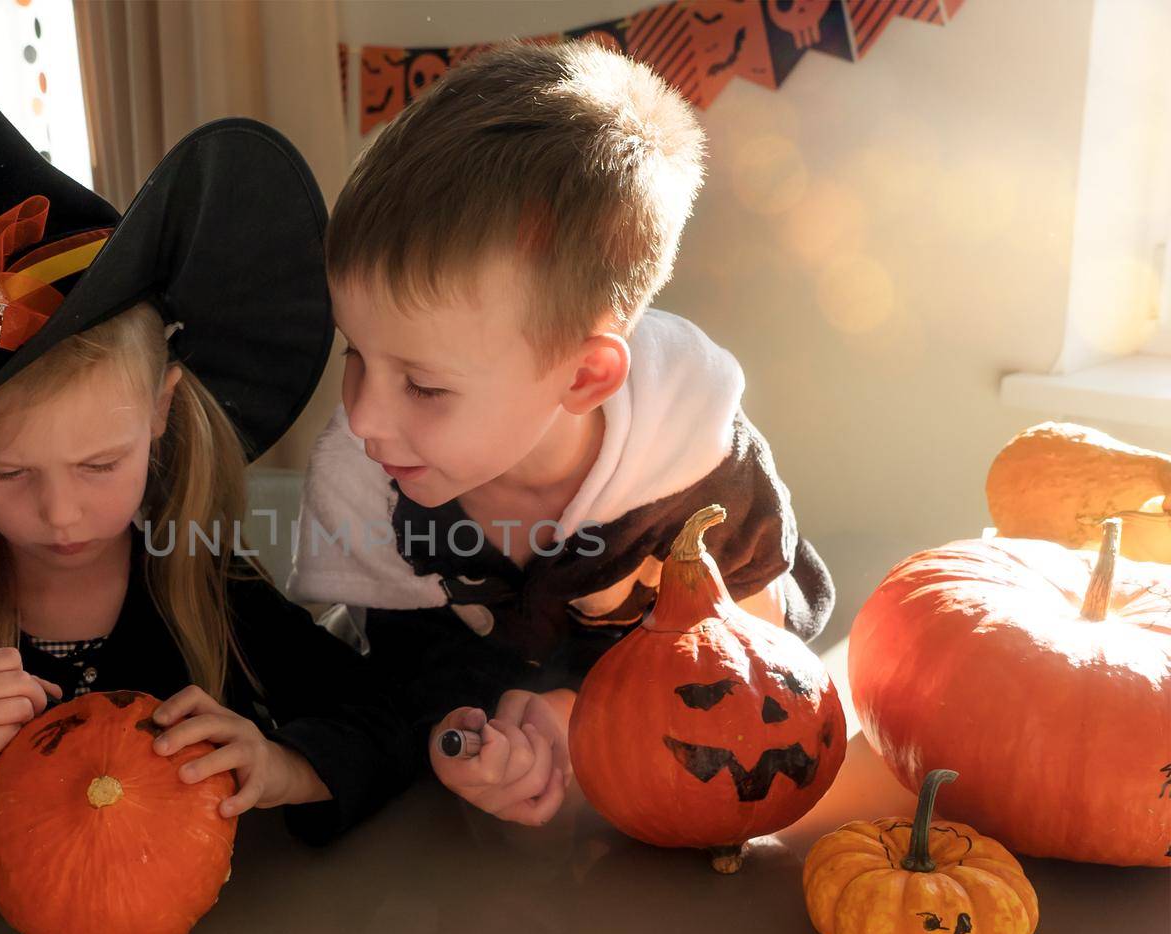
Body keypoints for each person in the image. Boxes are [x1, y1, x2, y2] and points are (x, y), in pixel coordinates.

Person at [0, 0, 412, 934]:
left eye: (101, 465)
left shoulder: (212, 598)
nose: (61, 512)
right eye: (9, 472)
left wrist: (286, 761)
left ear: (160, 413)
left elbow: (384, 714)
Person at [288, 39, 835, 827]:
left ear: (582, 378)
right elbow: (410, 672)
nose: (364, 418)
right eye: (355, 355)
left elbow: (758, 671)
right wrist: (465, 738)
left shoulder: (701, 467)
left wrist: (579, 720)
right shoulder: (373, 482)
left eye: (424, 385)